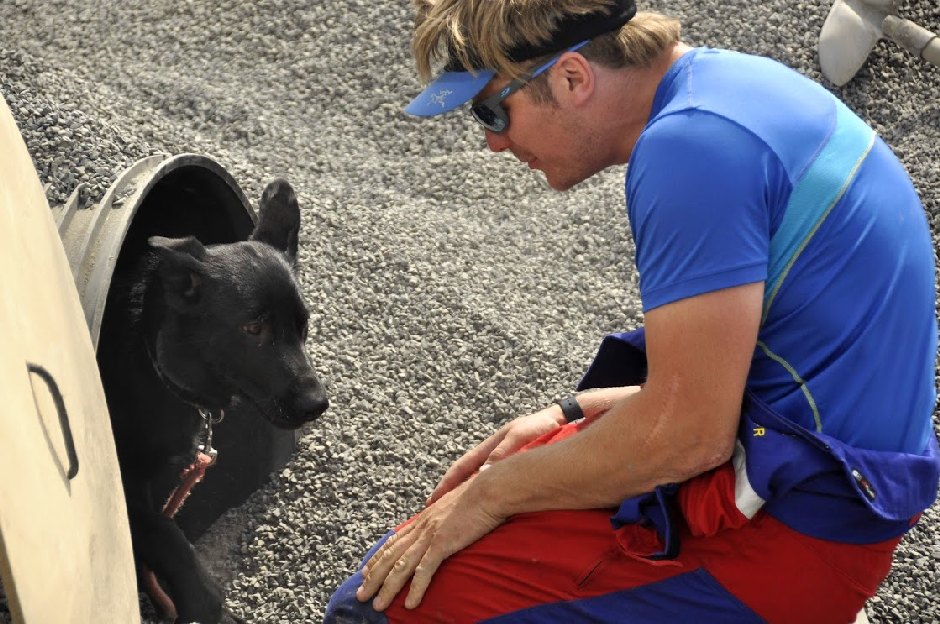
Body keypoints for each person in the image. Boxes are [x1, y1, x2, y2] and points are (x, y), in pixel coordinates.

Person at [324, 0, 940, 621]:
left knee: (375, 608)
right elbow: (792, 360)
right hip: (826, 474)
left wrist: (491, 496)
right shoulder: (726, 86)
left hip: (795, 534)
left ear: (572, 78)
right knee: (459, 516)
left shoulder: (689, 152)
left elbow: (690, 437)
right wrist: (577, 410)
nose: (492, 143)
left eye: (492, 110)